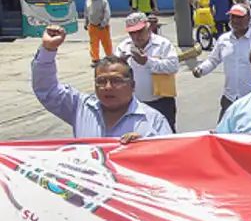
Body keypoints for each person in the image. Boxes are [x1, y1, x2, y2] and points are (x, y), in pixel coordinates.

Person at [31, 25, 171, 140]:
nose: (108, 87)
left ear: (132, 86)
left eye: (116, 81)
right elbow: (47, 90)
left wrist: (145, 149)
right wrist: (48, 50)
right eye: (101, 81)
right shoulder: (80, 107)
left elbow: (170, 161)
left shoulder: (154, 122)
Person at [192, 4, 251, 121]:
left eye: (239, 17)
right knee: (223, 133)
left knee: (250, 134)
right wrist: (201, 69)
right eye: (233, 17)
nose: (235, 20)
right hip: (229, 97)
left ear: (249, 18)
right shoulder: (223, 39)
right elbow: (213, 59)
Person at [114, 12, 180, 132]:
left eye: (140, 31)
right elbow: (112, 71)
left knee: (166, 136)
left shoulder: (162, 44)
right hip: (134, 104)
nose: (136, 36)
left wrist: (147, 62)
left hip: (161, 102)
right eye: (132, 33)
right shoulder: (124, 47)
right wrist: (120, 63)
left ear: (148, 28)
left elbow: (173, 66)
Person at [83, 0, 112, 66]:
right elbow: (86, 12)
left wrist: (103, 24)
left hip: (102, 27)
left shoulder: (103, 1)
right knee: (93, 44)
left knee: (106, 43)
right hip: (92, 26)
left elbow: (107, 13)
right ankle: (95, 59)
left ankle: (110, 58)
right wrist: (86, 22)